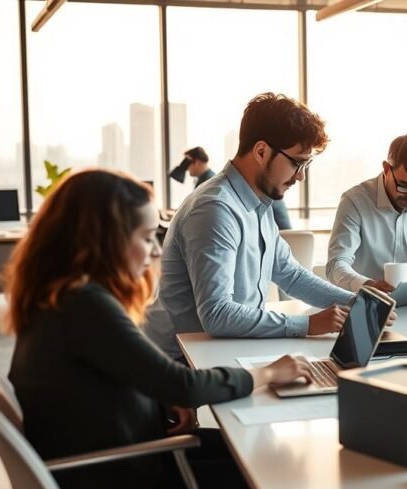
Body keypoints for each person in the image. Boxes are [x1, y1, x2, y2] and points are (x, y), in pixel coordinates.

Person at [5, 169, 307, 489]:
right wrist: (267, 375)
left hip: (108, 471)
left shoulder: (59, 297)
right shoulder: (85, 306)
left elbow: (127, 377)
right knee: (271, 481)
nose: (155, 252)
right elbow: (184, 384)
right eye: (147, 237)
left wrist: (160, 397)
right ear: (106, 239)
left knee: (256, 455)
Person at [145, 92, 354, 362]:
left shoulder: (259, 204)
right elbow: (217, 314)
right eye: (297, 162)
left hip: (223, 351)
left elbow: (290, 274)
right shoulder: (215, 209)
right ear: (261, 151)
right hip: (180, 364)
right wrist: (309, 325)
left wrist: (357, 303)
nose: (301, 176)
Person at [326, 133, 407, 293]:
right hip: (361, 300)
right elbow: (336, 264)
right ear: (386, 169)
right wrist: (368, 285)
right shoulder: (354, 201)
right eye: (404, 186)